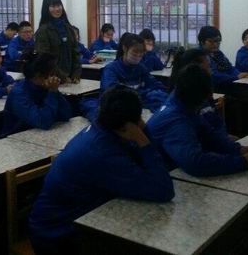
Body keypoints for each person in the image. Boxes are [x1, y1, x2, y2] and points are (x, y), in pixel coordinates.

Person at [29, 86, 175, 255]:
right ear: (127, 127)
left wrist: (141, 130)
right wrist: (144, 141)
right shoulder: (103, 151)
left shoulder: (104, 127)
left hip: (68, 218)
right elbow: (163, 189)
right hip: (56, 236)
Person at [147, 65, 248, 176]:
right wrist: (244, 162)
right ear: (202, 99)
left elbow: (209, 135)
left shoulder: (182, 102)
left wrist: (239, 150)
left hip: (175, 166)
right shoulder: (176, 121)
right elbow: (195, 163)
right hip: (161, 176)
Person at [1, 52, 72, 137]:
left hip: (40, 135)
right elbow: (43, 122)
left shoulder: (45, 87)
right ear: (38, 75)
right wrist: (52, 93)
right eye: (51, 74)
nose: (55, 77)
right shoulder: (19, 94)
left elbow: (66, 115)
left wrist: (55, 92)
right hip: (16, 138)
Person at [100, 33, 168, 111]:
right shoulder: (111, 69)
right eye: (135, 52)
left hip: (137, 105)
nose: (138, 56)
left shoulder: (141, 68)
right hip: (116, 108)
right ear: (125, 48)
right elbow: (112, 93)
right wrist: (143, 93)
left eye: (141, 53)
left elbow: (154, 84)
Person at [34, 0, 81, 83]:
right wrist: (62, 77)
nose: (57, 9)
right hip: (52, 79)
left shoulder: (68, 28)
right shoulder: (43, 31)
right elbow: (45, 58)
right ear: (46, 9)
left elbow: (76, 53)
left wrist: (76, 74)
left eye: (59, 5)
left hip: (71, 79)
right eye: (53, 6)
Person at [198, 26, 248, 91]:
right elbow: (213, 76)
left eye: (218, 41)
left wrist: (239, 74)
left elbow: (229, 68)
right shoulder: (199, 55)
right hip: (209, 90)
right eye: (211, 41)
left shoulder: (218, 53)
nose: (216, 44)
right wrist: (235, 77)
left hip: (223, 85)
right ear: (202, 42)